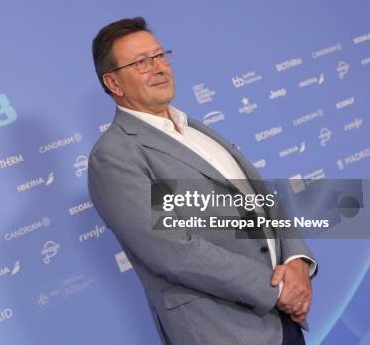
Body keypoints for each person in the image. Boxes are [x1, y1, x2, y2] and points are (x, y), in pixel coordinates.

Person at [87, 17, 317, 345]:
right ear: (113, 83)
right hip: (222, 331)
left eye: (160, 55)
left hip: (281, 320)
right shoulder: (113, 156)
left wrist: (296, 261)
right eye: (141, 62)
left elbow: (260, 199)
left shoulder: (195, 129)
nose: (158, 68)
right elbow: (174, 251)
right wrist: (278, 288)